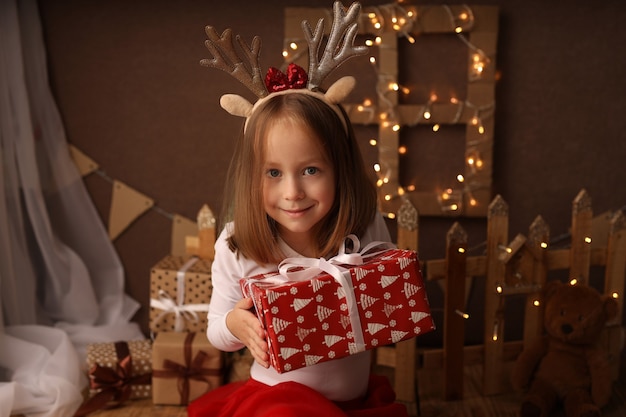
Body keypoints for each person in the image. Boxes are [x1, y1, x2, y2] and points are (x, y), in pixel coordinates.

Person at [189, 3, 409, 416]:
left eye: (310, 169)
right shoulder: (239, 246)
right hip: (276, 401)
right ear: (252, 176)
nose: (292, 192)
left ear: (339, 169)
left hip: (353, 400)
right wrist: (235, 327)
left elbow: (383, 300)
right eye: (273, 173)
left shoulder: (363, 227)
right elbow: (216, 329)